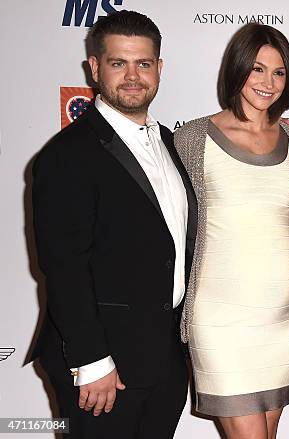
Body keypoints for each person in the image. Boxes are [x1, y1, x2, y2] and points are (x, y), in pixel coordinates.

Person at [31, 10, 196, 438]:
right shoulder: (67, 155)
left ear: (159, 68)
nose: (132, 76)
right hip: (105, 367)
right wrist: (90, 361)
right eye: (118, 63)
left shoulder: (168, 142)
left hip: (163, 358)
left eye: (143, 63)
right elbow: (63, 266)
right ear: (95, 67)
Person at [173, 23, 289, 439]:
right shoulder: (193, 137)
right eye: (257, 69)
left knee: (268, 431)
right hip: (222, 316)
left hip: (283, 318)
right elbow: (176, 225)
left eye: (279, 72)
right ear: (237, 70)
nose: (268, 83)